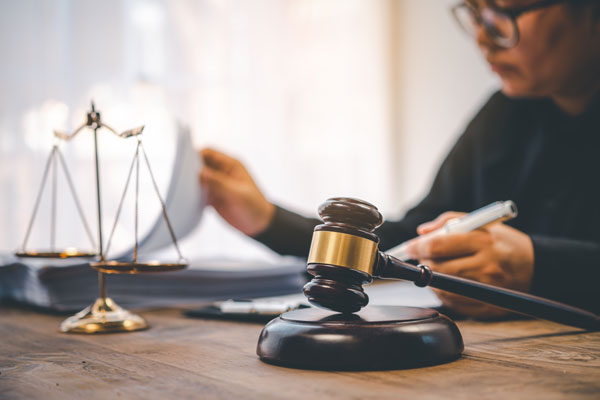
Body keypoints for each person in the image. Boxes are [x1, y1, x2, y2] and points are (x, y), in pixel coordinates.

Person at [199, 0, 600, 317]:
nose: (483, 35)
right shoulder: (508, 114)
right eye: (476, 10)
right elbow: (410, 243)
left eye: (505, 10)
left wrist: (538, 267)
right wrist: (266, 219)